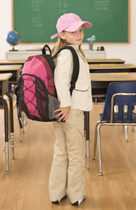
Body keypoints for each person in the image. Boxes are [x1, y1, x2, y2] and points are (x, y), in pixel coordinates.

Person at [49, 13, 93, 206]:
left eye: (81, 30)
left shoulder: (68, 51)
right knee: (75, 152)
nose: (79, 34)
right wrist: (66, 105)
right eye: (73, 31)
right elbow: (61, 81)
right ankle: (76, 196)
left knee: (62, 151)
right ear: (62, 34)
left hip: (64, 110)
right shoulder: (69, 53)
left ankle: (56, 194)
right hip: (70, 110)